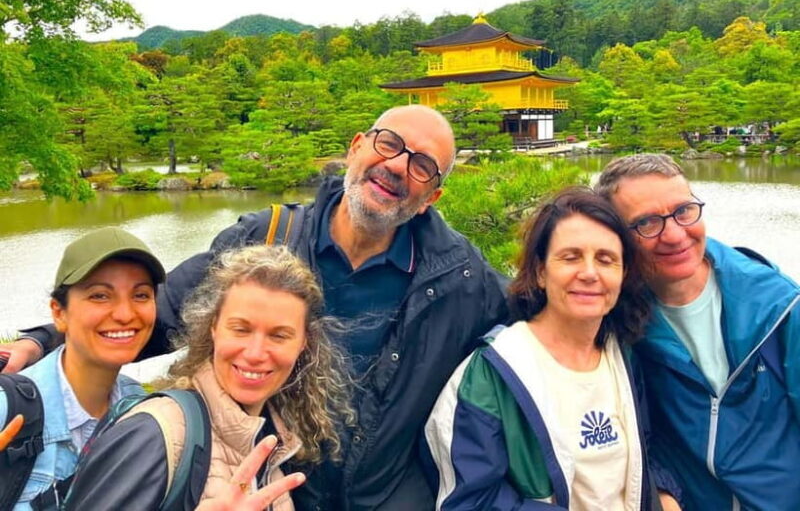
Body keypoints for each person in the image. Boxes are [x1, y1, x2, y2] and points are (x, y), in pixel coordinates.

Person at [3, 104, 511, 510]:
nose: (398, 166)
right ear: (356, 147)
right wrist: (46, 337)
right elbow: (162, 310)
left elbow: (540, 320)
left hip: (390, 495)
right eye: (389, 144)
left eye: (422, 165)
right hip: (264, 487)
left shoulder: (459, 277)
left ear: (433, 195)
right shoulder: (267, 237)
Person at [425, 187, 681, 510]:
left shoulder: (623, 357)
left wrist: (663, 493)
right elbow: (471, 500)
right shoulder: (490, 377)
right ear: (541, 271)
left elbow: (643, 449)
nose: (589, 273)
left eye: (606, 259)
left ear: (623, 274)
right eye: (570, 257)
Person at [62, 244, 352, 510]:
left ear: (303, 344)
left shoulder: (280, 442)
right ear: (213, 328)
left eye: (279, 335)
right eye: (240, 329)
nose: (255, 352)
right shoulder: (157, 433)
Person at [597, 153, 800, 511]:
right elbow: (634, 430)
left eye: (684, 211)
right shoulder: (613, 318)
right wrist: (658, 487)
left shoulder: (779, 306)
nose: (675, 235)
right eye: (646, 222)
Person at [0, 226, 166, 509]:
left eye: (140, 295)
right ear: (59, 313)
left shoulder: (144, 411)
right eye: (100, 295)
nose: (125, 314)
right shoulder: (7, 408)